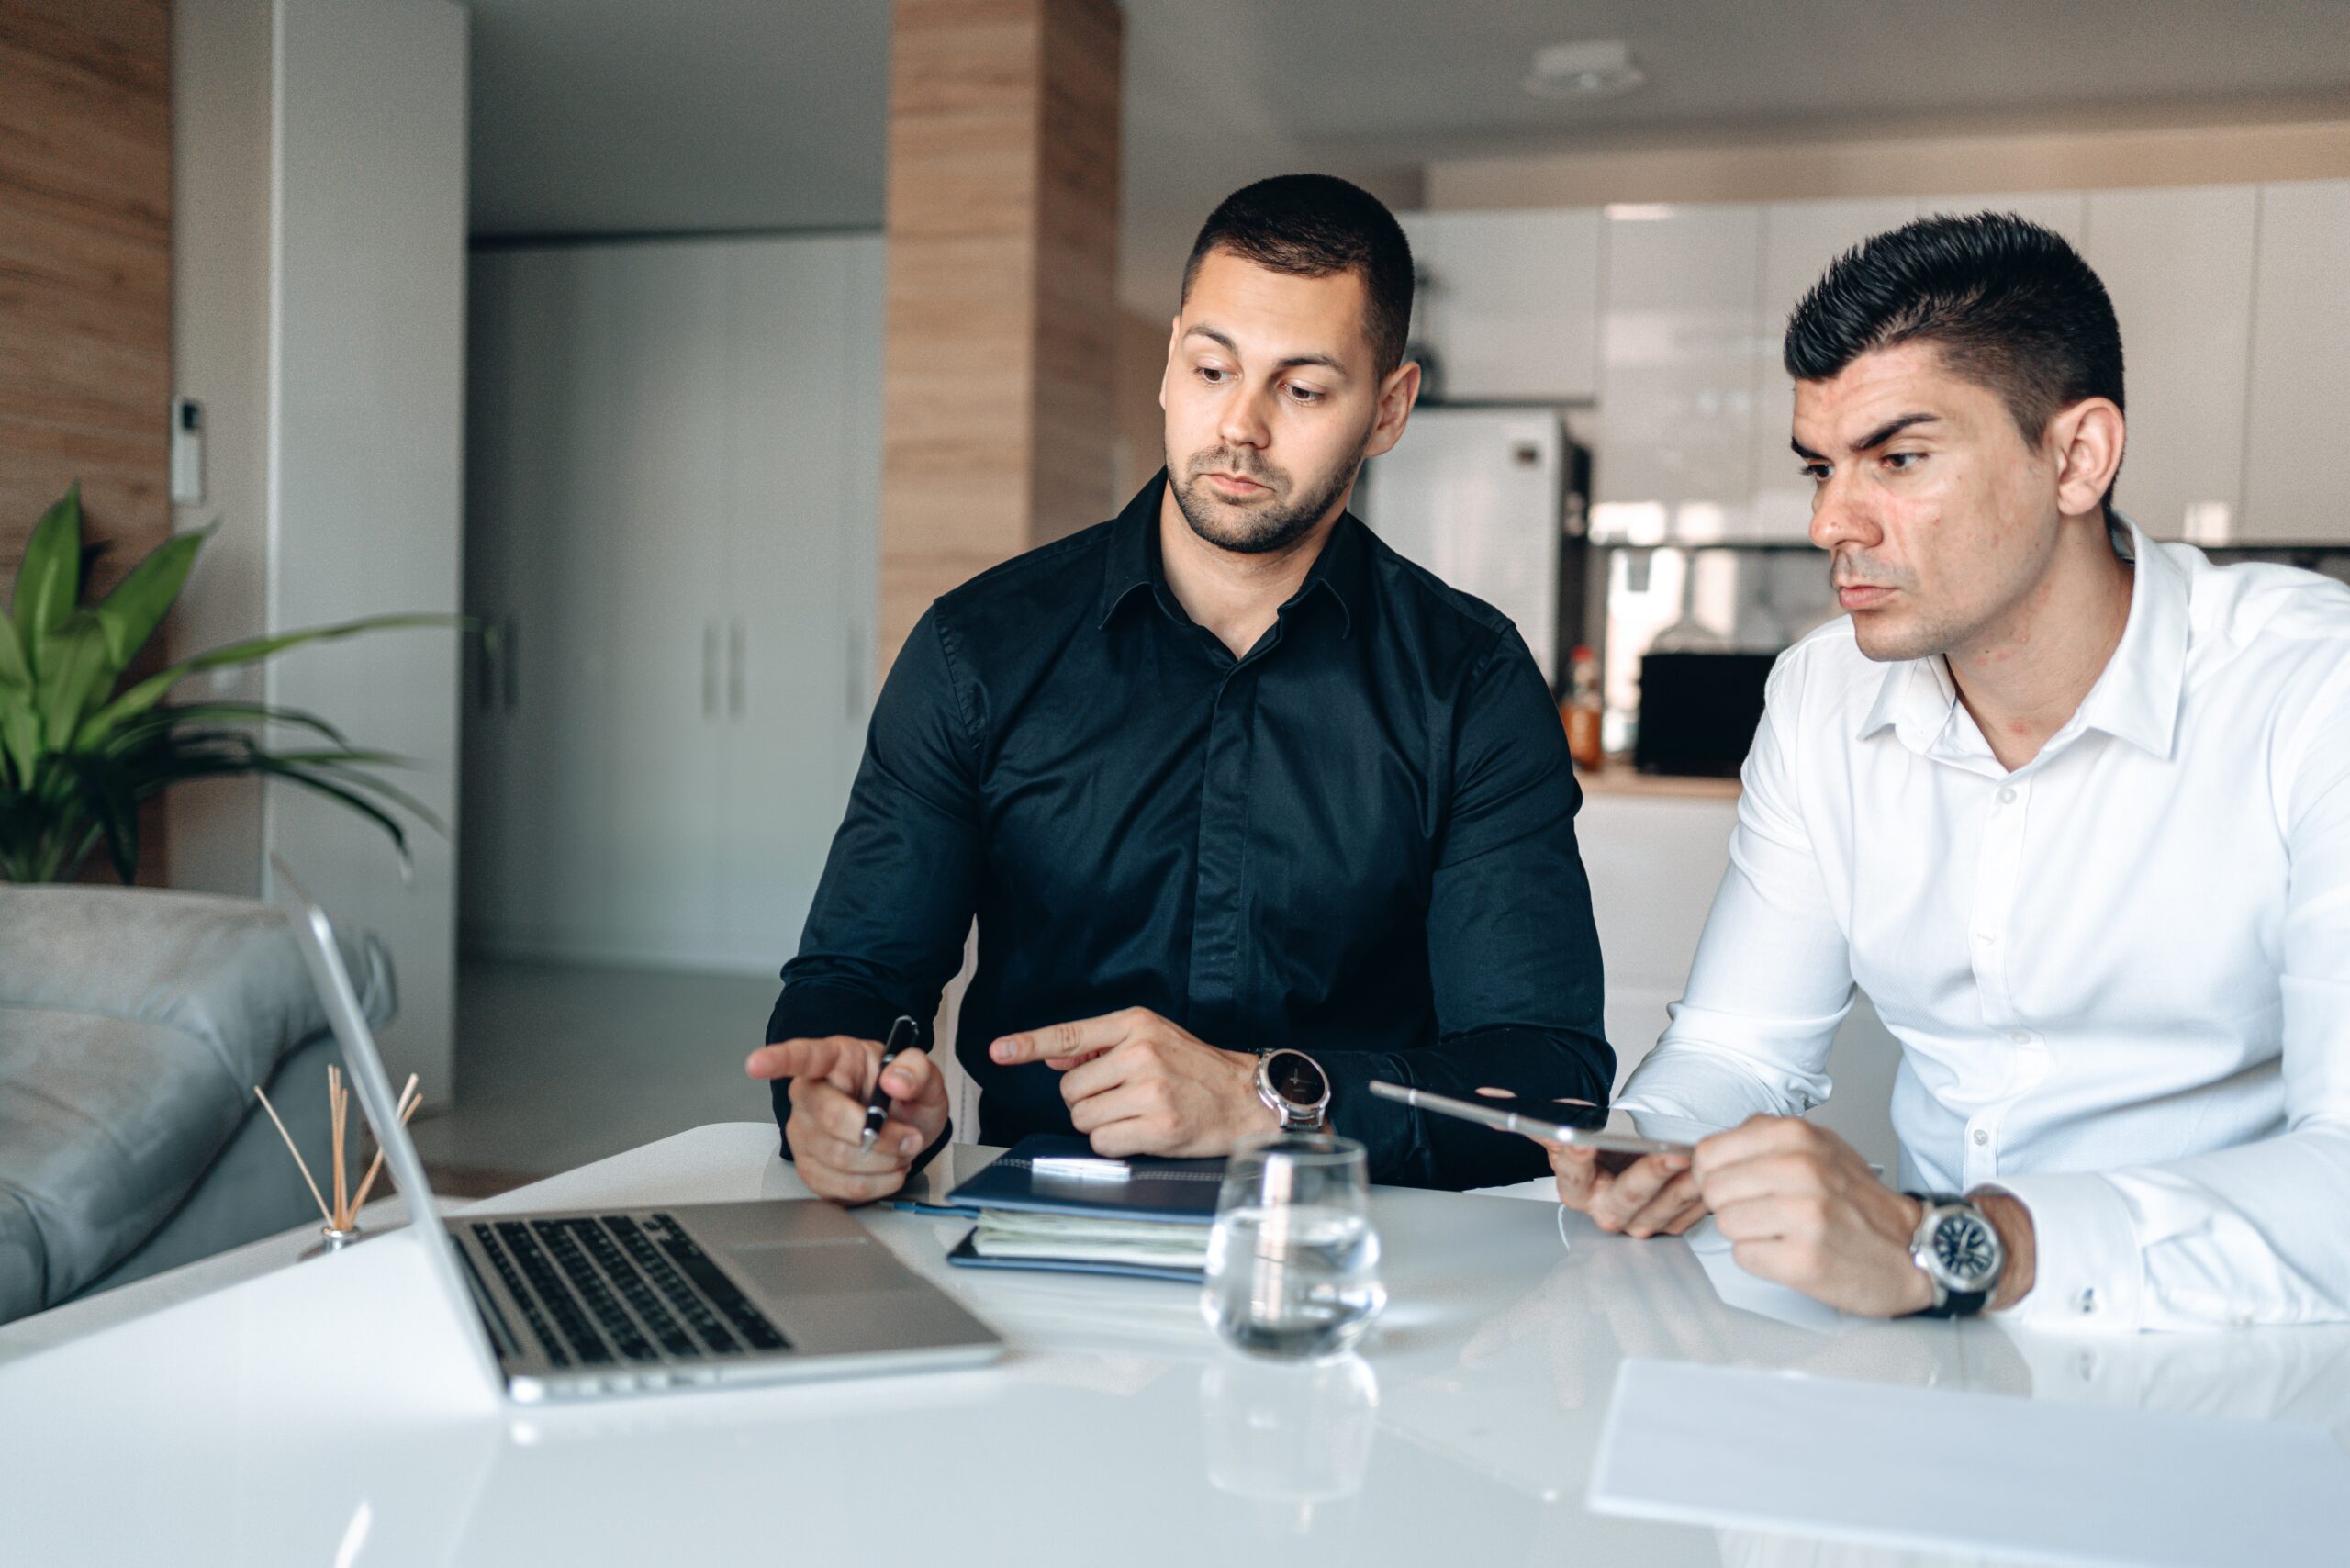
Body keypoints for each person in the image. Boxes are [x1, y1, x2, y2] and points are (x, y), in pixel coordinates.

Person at [1551, 211, 2350, 1331]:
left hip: (2239, 1356)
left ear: (2076, 457)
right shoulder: (1822, 694)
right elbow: (1737, 1047)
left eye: (1898, 458)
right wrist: (1652, 1142)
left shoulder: (2315, 691)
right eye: (1821, 467)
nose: (1830, 519)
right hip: (1924, 1330)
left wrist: (1963, 1243)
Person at [749, 174, 1611, 1202]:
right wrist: (854, 1104)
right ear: (1168, 366)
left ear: (1387, 410)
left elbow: (1547, 1084)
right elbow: (856, 976)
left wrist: (1266, 1100)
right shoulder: (977, 650)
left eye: (1300, 389)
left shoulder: (1469, 681)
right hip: (1036, 1234)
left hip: (1349, 1261)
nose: (1238, 425)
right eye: (1212, 368)